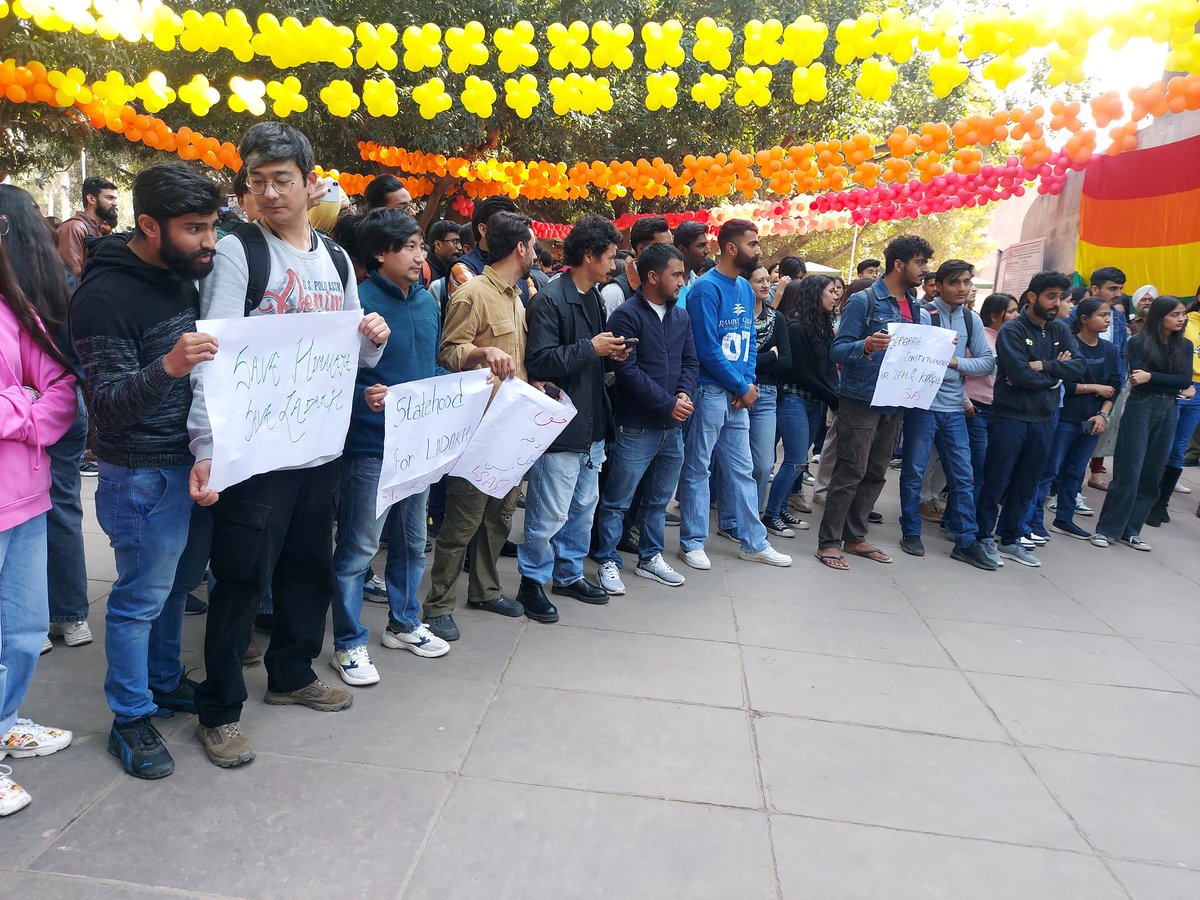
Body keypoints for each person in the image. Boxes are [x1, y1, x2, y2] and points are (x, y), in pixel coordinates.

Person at [187, 122, 390, 769]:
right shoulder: (239, 252)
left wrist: (373, 337)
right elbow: (212, 355)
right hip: (255, 453)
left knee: (309, 568)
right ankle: (219, 711)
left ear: (309, 181)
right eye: (258, 181)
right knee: (241, 579)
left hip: (319, 447)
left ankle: (292, 673)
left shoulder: (335, 259)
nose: (270, 193)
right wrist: (207, 444)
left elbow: (353, 352)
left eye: (282, 179)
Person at [71, 162, 222, 778]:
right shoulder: (102, 298)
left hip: (193, 465)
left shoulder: (183, 276)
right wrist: (168, 367)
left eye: (212, 226)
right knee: (138, 600)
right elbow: (105, 407)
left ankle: (162, 678)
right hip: (140, 475)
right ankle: (130, 716)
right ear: (149, 225)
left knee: (175, 590)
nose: (209, 241)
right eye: (194, 229)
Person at [328, 210, 451, 688]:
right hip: (370, 447)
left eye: (422, 246)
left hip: (418, 445)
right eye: (410, 247)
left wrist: (464, 384)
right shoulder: (358, 304)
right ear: (381, 253)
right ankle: (348, 642)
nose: (421, 256)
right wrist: (365, 396)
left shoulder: (427, 302)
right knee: (359, 548)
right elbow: (335, 378)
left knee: (412, 541)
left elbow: (429, 367)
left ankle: (404, 622)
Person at [424, 211, 538, 639]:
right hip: (477, 428)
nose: (536, 252)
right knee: (462, 522)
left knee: (499, 517)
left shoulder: (516, 296)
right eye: (533, 245)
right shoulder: (472, 294)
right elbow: (448, 352)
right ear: (520, 248)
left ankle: (485, 591)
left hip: (511, 425)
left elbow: (518, 362)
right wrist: (482, 352)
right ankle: (438, 605)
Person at [0, 241, 77, 815]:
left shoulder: (13, 305)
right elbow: (37, 393)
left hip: (25, 496)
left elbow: (61, 388)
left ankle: (4, 722)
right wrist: (24, 400)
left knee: (25, 631)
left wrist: (18, 410)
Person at [519, 216, 627, 610]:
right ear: (589, 256)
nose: (613, 264)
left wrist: (609, 353)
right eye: (609, 257)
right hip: (561, 427)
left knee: (582, 509)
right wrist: (591, 349)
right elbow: (540, 361)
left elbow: (588, 354)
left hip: (591, 422)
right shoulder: (549, 299)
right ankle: (532, 581)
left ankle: (569, 574)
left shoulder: (593, 296)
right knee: (548, 513)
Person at [0, 186, 91, 649]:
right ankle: (71, 616)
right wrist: (31, 397)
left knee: (37, 515)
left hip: (40, 413)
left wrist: (23, 401)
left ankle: (31, 623)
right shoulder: (59, 272)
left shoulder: (13, 286)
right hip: (62, 408)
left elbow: (49, 370)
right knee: (64, 507)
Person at [676, 219, 791, 570]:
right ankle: (692, 542)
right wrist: (742, 386)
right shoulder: (704, 289)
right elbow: (707, 348)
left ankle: (753, 542)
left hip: (738, 395)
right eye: (752, 243)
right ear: (730, 248)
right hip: (709, 392)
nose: (758, 249)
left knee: (743, 470)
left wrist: (748, 383)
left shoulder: (743, 287)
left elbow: (749, 339)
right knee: (698, 467)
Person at [815, 235, 932, 571]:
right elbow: (838, 350)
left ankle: (855, 536)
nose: (925, 269)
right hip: (861, 399)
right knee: (850, 471)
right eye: (920, 262)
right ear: (899, 264)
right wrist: (866, 345)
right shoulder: (863, 300)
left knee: (877, 472)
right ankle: (829, 542)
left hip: (895, 401)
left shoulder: (916, 308)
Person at [593, 243, 696, 595]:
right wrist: (668, 403)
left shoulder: (681, 317)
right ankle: (607, 559)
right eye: (676, 275)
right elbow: (627, 372)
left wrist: (683, 395)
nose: (682, 281)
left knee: (657, 500)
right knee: (617, 501)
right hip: (636, 426)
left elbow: (691, 362)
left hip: (673, 428)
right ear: (653, 277)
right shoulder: (626, 315)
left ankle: (650, 557)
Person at [974, 272, 1086, 567]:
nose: (1056, 303)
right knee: (997, 479)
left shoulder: (1060, 329)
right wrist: (1054, 376)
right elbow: (1019, 374)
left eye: (1060, 297)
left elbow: (1078, 367)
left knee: (1028, 482)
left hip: (1044, 419)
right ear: (1033, 296)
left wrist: (1043, 366)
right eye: (1051, 296)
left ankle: (1010, 539)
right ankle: (982, 537)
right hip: (1010, 416)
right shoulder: (1012, 330)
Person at [897, 260, 997, 570]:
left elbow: (987, 362)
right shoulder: (923, 314)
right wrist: (947, 360)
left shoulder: (970, 319)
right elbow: (911, 356)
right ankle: (910, 531)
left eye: (967, 282)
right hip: (922, 404)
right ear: (938, 285)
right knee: (913, 472)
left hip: (954, 408)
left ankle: (965, 541)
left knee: (963, 476)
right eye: (954, 282)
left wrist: (954, 362)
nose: (962, 288)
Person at [1092, 296, 1194, 549]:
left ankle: (1131, 530)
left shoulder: (1185, 345)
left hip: (1169, 408)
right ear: (1160, 316)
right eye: (1175, 314)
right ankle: (1106, 530)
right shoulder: (1139, 341)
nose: (1181, 319)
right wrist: (1164, 381)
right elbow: (1137, 377)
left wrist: (1153, 377)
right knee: (1129, 470)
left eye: (1183, 314)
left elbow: (1184, 380)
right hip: (1141, 405)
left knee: (1153, 472)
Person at [716, 263, 789, 535]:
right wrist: (770, 356)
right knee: (731, 462)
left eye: (768, 280)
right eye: (759, 280)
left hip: (765, 394)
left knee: (763, 464)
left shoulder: (777, 319)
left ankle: (751, 520)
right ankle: (730, 521)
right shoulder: (734, 315)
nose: (766, 285)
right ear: (744, 284)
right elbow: (725, 354)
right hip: (735, 389)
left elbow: (786, 362)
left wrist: (757, 364)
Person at [763, 276, 839, 533]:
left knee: (800, 462)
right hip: (794, 399)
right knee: (795, 460)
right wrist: (834, 399)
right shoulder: (796, 327)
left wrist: (833, 396)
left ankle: (782, 509)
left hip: (815, 403)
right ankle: (771, 515)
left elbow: (827, 369)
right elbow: (802, 374)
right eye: (830, 291)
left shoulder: (823, 326)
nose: (835, 295)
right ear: (816, 293)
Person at [1046, 298, 1120, 539]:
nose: (1107, 320)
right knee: (1049, 470)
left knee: (1075, 472)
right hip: (1065, 417)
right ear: (1084, 319)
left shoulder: (1110, 349)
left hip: (1093, 421)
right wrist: (1095, 388)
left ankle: (1064, 519)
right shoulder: (1070, 345)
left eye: (1108, 315)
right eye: (1102, 315)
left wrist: (1103, 414)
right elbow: (1064, 384)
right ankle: (1031, 521)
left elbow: (1115, 385)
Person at [1146, 293, 1200, 526]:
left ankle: (1162, 502)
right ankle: (1147, 498)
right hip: (1178, 385)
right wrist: (1180, 383)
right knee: (1162, 443)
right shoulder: (1188, 320)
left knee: (1179, 447)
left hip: (1197, 392)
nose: (1179, 318)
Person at [964, 293, 1018, 522]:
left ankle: (972, 519)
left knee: (990, 468)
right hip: (976, 409)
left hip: (1000, 411)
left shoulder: (1012, 340)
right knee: (978, 468)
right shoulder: (981, 337)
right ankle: (963, 521)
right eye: (1012, 311)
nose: (1017, 315)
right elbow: (961, 371)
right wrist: (964, 401)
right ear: (995, 315)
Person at [449, 195, 519, 296]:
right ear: (483, 230)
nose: (513, 233)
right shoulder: (463, 269)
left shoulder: (519, 266)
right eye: (506, 226)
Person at [601, 216, 671, 315]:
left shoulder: (673, 286)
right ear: (641, 249)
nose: (670, 253)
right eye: (662, 248)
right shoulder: (615, 292)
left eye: (671, 247)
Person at [56, 176, 118, 278]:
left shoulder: (98, 229)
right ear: (91, 199)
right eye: (109, 198)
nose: (115, 203)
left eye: (115, 199)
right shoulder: (74, 228)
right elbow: (71, 278)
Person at [672, 220, 710, 308]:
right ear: (682, 250)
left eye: (707, 245)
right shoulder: (668, 286)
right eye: (701, 246)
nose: (707, 251)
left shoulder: (699, 283)